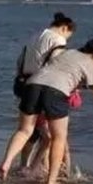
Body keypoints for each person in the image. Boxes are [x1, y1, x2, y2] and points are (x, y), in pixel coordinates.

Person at [0, 38, 93, 184]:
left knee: (24, 130)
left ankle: (6, 163)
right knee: (59, 138)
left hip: (32, 86)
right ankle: (51, 181)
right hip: (56, 91)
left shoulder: (67, 53)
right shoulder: (92, 66)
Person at [15, 12, 76, 167]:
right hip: (44, 87)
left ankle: (24, 165)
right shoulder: (58, 40)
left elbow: (20, 61)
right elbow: (57, 65)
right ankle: (38, 168)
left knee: (31, 131)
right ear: (64, 28)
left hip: (25, 85)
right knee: (49, 134)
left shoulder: (35, 36)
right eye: (68, 35)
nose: (67, 39)